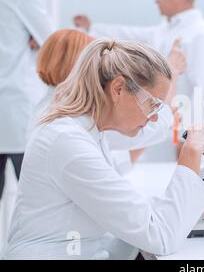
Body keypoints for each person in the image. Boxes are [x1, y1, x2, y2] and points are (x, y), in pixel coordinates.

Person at [3, 39, 204, 260]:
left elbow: (125, 206)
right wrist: (191, 154)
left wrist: (187, 207)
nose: (155, 116)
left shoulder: (88, 131)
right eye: (153, 104)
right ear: (118, 89)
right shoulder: (68, 142)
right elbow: (161, 237)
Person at [31, 29, 186, 174]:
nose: (100, 69)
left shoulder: (52, 108)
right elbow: (153, 130)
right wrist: (171, 73)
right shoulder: (71, 125)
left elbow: (109, 169)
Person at [73, 0, 204, 125]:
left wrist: (193, 135)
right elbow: (131, 35)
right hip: (160, 119)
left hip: (181, 127)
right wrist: (91, 28)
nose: (156, 0)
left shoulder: (201, 33)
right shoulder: (166, 29)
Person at [0, 0, 54, 200]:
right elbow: (53, 41)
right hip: (14, 105)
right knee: (35, 199)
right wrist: (35, 36)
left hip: (13, 109)